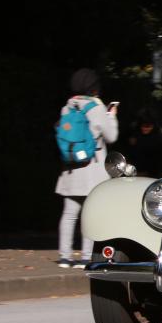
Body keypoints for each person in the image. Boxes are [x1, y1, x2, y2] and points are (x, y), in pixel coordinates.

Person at [54, 68, 118, 267]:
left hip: (71, 168)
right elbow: (111, 137)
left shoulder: (67, 108)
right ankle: (85, 257)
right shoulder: (96, 108)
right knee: (89, 215)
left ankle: (64, 257)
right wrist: (111, 116)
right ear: (93, 87)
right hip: (93, 170)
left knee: (69, 213)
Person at [124, 107, 162, 177]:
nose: (145, 128)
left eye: (148, 126)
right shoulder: (134, 134)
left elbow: (161, 160)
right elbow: (130, 154)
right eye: (143, 125)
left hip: (152, 175)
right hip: (135, 174)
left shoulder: (159, 137)